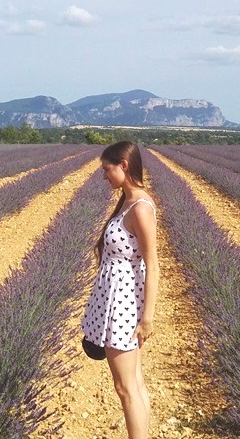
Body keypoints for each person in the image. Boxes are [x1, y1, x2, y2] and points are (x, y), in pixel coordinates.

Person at [81, 141, 160, 439]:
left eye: (106, 169)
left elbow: (153, 265)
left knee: (126, 388)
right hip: (116, 300)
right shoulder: (127, 201)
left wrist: (147, 318)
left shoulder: (140, 207)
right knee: (134, 384)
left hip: (124, 305)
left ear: (123, 166)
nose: (103, 176)